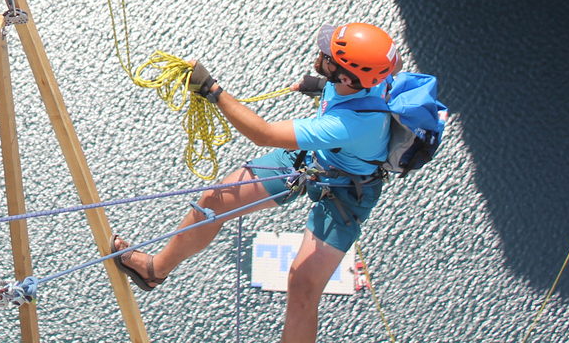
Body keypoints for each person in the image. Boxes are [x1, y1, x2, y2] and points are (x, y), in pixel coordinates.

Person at [112, 22, 403, 343]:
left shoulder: (347, 123)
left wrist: (212, 90)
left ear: (347, 77)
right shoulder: (374, 75)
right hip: (316, 159)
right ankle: (154, 271)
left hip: (348, 192)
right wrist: (325, 85)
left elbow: (262, 134)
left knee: (303, 287)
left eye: (328, 55)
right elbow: (391, 61)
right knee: (216, 199)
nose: (320, 52)